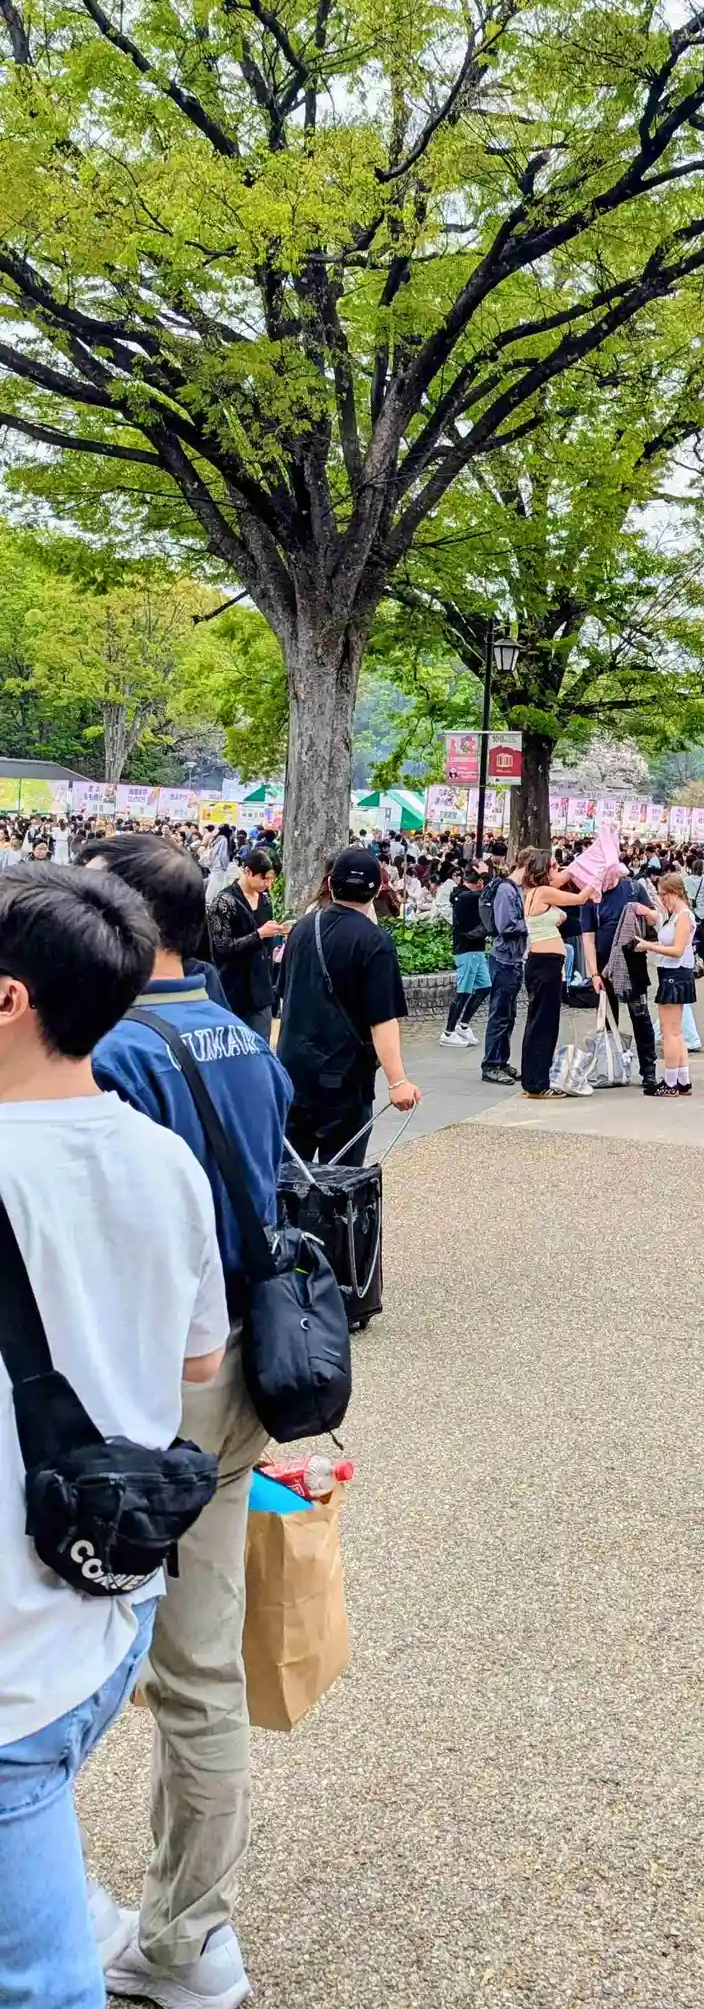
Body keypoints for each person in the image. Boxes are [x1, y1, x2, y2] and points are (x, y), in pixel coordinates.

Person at [0, 867, 228, 2009]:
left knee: (40, 1983)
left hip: (13, 1649)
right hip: (111, 1599)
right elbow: (200, 1363)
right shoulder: (162, 1158)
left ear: (8, 1000)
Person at [81, 834, 292, 2008]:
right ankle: (189, 1933)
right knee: (201, 1669)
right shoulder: (235, 1034)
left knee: (59, 1657)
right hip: (243, 1368)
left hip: (149, 1376)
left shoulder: (108, 1052)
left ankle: (61, 1903)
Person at [277, 846, 420, 1156]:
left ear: (330, 883)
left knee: (289, 1174)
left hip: (293, 1072)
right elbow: (382, 1019)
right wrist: (397, 1082)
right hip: (344, 1079)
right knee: (342, 1176)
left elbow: (285, 995)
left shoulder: (302, 929)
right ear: (378, 889)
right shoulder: (375, 941)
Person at [581, 864, 661, 1096]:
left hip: (632, 965)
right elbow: (588, 938)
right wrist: (594, 973)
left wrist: (644, 911)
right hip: (604, 968)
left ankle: (648, 1070)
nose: (603, 881)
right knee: (608, 1020)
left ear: (617, 871)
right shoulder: (591, 896)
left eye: (606, 874)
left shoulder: (634, 889)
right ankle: (611, 1065)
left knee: (641, 1017)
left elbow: (655, 918)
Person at [518, 850, 591, 1097]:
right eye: (554, 866)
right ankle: (537, 1083)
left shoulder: (533, 892)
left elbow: (563, 879)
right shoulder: (543, 892)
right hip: (545, 963)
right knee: (544, 1023)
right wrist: (596, 879)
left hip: (543, 962)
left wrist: (582, 863)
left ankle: (533, 1078)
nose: (557, 870)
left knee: (538, 1021)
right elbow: (579, 898)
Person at [205, 845, 287, 1038]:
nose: (268, 884)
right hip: (233, 991)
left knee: (260, 1045)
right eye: (264, 878)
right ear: (248, 871)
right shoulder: (224, 902)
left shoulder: (264, 900)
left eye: (272, 879)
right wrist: (259, 935)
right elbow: (221, 948)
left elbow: (266, 945)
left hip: (261, 990)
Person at [638, 870, 697, 1095]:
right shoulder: (676, 915)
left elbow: (677, 950)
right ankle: (682, 1079)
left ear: (673, 893)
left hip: (675, 973)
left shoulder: (683, 916)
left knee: (669, 1032)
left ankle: (670, 1082)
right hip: (673, 973)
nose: (662, 899)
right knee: (676, 1031)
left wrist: (649, 946)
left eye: (663, 895)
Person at [479, 852, 529, 1085]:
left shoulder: (515, 889)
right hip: (504, 959)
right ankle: (491, 1064)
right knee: (499, 1014)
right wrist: (531, 922)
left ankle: (501, 1060)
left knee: (508, 1015)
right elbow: (506, 925)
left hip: (513, 958)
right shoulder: (507, 890)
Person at [441, 861, 491, 1047]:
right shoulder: (466, 897)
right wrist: (486, 875)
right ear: (479, 882)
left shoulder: (464, 894)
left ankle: (463, 1026)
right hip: (466, 949)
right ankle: (448, 1032)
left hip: (476, 948)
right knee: (463, 991)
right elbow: (491, 893)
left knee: (484, 987)